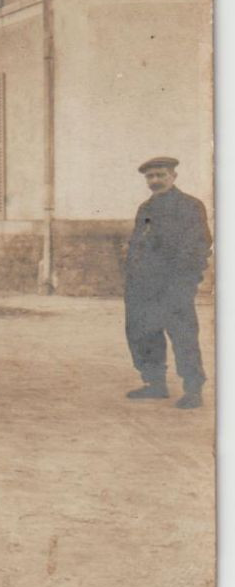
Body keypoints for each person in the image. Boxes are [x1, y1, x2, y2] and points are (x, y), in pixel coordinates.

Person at [123, 156, 209, 409]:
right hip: (143, 285)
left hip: (174, 284)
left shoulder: (191, 206)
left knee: (184, 336)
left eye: (161, 175)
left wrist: (186, 282)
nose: (155, 181)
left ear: (173, 176)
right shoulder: (145, 207)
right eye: (150, 177)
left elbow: (199, 246)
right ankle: (155, 384)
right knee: (144, 334)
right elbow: (139, 243)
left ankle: (193, 389)